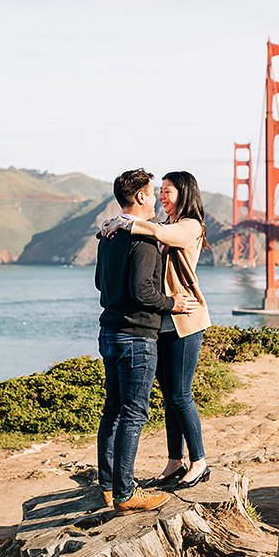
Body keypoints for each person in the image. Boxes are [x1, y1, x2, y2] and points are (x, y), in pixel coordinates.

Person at [95, 168, 199, 512]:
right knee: (134, 414)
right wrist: (170, 303)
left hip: (108, 333)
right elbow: (143, 290)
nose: (156, 198)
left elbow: (100, 284)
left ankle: (109, 487)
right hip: (137, 337)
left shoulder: (107, 236)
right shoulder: (144, 241)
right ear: (139, 197)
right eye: (153, 192)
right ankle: (126, 494)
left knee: (113, 410)